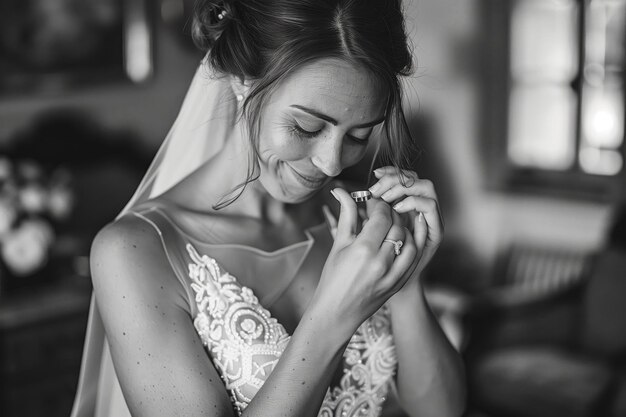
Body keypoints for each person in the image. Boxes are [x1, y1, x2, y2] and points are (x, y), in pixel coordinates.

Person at [70, 1, 466, 416]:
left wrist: (406, 282)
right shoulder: (135, 251)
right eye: (306, 128)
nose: (331, 163)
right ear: (242, 79)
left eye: (360, 135)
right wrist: (332, 319)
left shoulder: (366, 225)